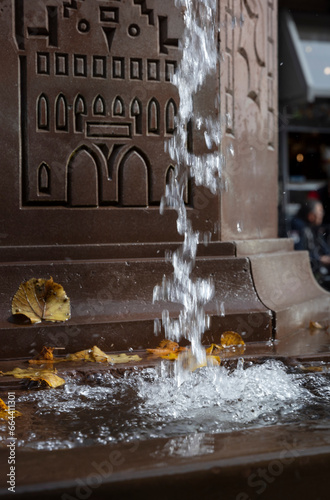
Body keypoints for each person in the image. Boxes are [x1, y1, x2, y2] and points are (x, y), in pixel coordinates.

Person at [290, 199, 330, 291]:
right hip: (309, 272)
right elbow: (298, 252)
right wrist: (319, 259)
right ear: (311, 215)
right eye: (320, 212)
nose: (322, 215)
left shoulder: (314, 227)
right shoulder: (299, 226)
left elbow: (323, 247)